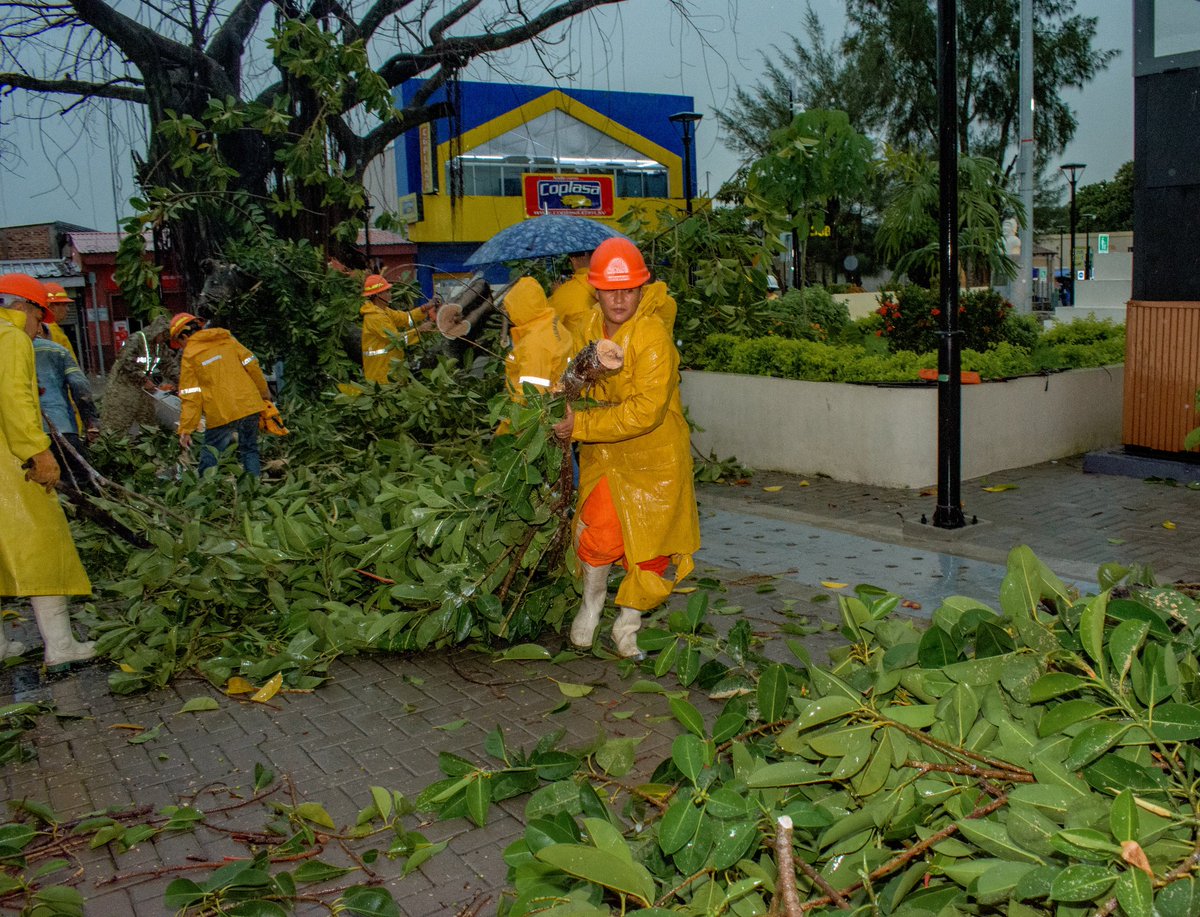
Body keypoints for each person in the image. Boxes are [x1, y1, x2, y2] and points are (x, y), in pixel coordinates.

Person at [552, 239, 700, 657]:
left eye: (628, 290)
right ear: (595, 290)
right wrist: (560, 400)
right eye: (610, 290)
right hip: (605, 454)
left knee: (651, 549)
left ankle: (628, 628)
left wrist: (580, 425)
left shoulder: (653, 337)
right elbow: (572, 377)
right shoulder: (586, 327)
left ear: (641, 289)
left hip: (656, 460)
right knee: (597, 534)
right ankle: (591, 606)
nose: (619, 300)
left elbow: (645, 412)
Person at [0, 273, 96, 669]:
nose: (40, 328)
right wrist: (38, 453)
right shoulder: (10, 338)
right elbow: (14, 400)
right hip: (10, 466)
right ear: (23, 307)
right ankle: (61, 647)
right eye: (40, 318)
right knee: (45, 546)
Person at [172, 313, 270, 477]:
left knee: (211, 452)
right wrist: (264, 392)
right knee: (249, 449)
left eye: (179, 342)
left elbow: (191, 396)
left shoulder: (190, 355)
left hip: (221, 412)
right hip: (248, 405)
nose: (181, 347)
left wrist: (186, 429)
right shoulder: (226, 339)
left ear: (184, 336)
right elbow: (252, 364)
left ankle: (205, 486)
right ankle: (254, 487)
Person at [33, 321, 101, 491]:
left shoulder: (8, 351)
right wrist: (91, 423)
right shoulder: (58, 350)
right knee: (81, 483)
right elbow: (80, 387)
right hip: (61, 428)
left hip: (28, 435)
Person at [502, 277, 574, 416]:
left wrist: (510, 423)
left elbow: (530, 394)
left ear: (521, 307)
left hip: (540, 414)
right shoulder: (551, 322)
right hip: (559, 402)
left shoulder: (534, 343)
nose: (510, 314)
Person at [100, 314, 177, 435]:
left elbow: (169, 365)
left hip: (143, 392)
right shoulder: (136, 340)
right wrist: (143, 380)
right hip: (123, 389)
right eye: (163, 335)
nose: (164, 339)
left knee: (147, 425)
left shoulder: (160, 347)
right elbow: (126, 363)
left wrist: (181, 380)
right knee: (117, 425)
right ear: (157, 331)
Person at [360, 274, 432, 384]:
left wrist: (424, 309)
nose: (390, 294)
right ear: (378, 295)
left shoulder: (384, 311)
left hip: (390, 370)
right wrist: (420, 330)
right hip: (381, 375)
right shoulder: (375, 317)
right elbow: (397, 340)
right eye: (387, 291)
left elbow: (406, 319)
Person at [548, 251, 597, 339]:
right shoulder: (611, 282)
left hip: (579, 346)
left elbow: (550, 325)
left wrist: (557, 294)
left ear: (573, 260)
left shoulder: (565, 292)